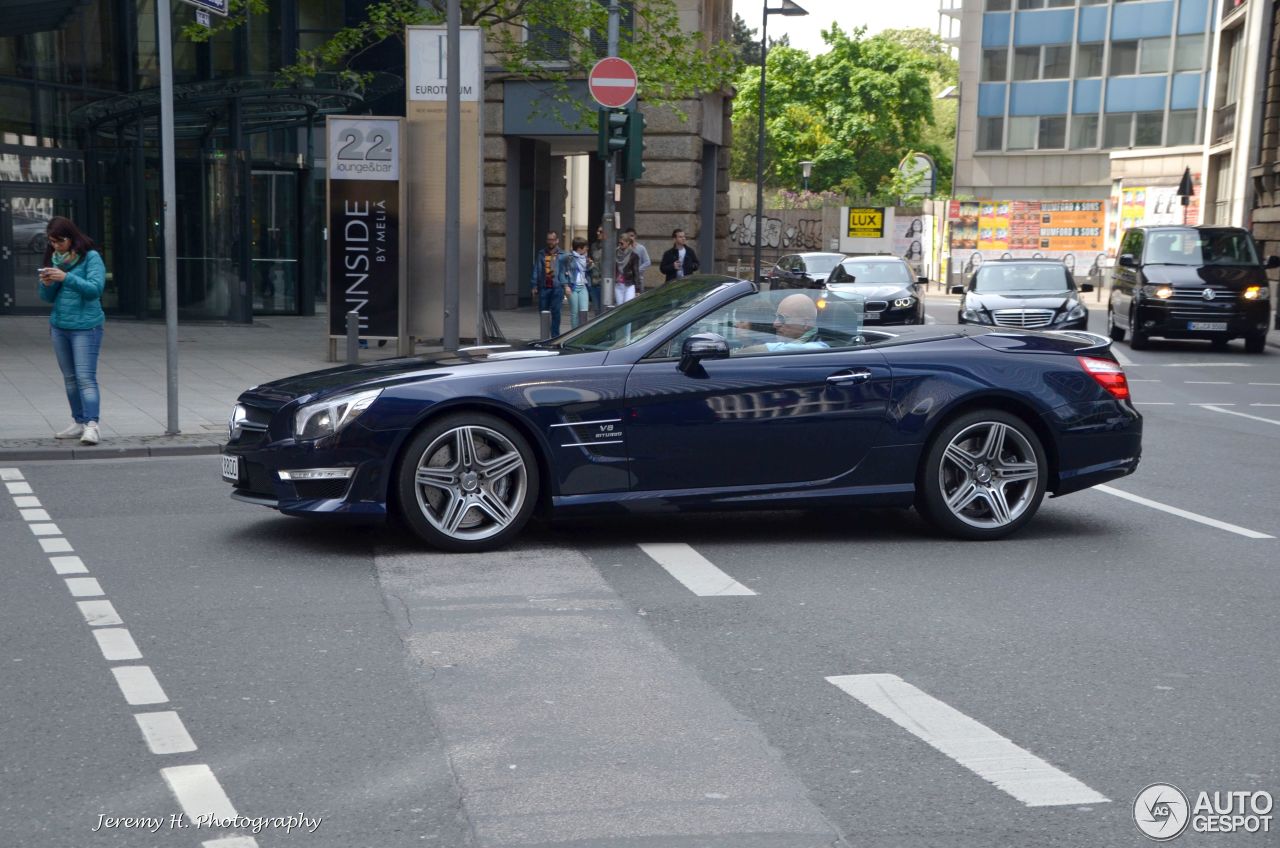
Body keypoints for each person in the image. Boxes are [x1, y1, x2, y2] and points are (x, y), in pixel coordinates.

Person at [38, 216, 107, 445]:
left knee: (85, 378)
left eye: (59, 241)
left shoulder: (91, 257)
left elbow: (94, 290)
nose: (55, 246)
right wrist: (47, 283)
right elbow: (47, 297)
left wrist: (66, 278)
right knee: (70, 379)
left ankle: (92, 425)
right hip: (60, 326)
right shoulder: (54, 258)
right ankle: (78, 422)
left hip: (86, 327)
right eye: (52, 242)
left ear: (70, 237)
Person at [530, 229, 566, 337]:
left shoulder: (562, 254)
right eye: (548, 239)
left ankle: (555, 336)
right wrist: (534, 285)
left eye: (552, 240)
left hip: (557, 288)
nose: (550, 242)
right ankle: (545, 336)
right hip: (544, 287)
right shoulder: (542, 253)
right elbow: (537, 269)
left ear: (557, 240)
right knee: (543, 312)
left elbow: (565, 271)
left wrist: (566, 284)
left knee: (556, 313)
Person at [762, 294, 829, 351]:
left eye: (782, 318)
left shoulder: (817, 348)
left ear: (806, 323)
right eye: (776, 317)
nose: (775, 324)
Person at [559, 237, 592, 328]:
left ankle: (583, 332)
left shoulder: (585, 258)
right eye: (585, 247)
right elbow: (562, 273)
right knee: (575, 313)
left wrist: (589, 265)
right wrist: (566, 286)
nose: (587, 248)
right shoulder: (568, 257)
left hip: (583, 286)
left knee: (584, 311)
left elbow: (586, 272)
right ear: (579, 248)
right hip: (572, 286)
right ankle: (574, 333)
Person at [615, 231, 642, 304]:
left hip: (629, 284)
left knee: (627, 305)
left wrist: (638, 290)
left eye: (622, 243)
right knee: (619, 307)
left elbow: (636, 272)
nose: (620, 245)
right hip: (618, 285)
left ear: (628, 243)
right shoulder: (615, 253)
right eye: (619, 243)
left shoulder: (633, 255)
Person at [624, 227, 651, 292]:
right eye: (628, 236)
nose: (630, 238)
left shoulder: (641, 248)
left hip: (638, 279)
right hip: (626, 280)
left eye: (632, 236)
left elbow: (647, 262)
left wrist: (637, 270)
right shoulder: (624, 248)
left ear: (635, 236)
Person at [589, 226, 605, 313]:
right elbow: (593, 261)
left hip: (605, 282)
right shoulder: (594, 246)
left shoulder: (610, 246)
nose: (598, 233)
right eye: (598, 231)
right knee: (596, 310)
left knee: (604, 310)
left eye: (600, 231)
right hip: (594, 281)